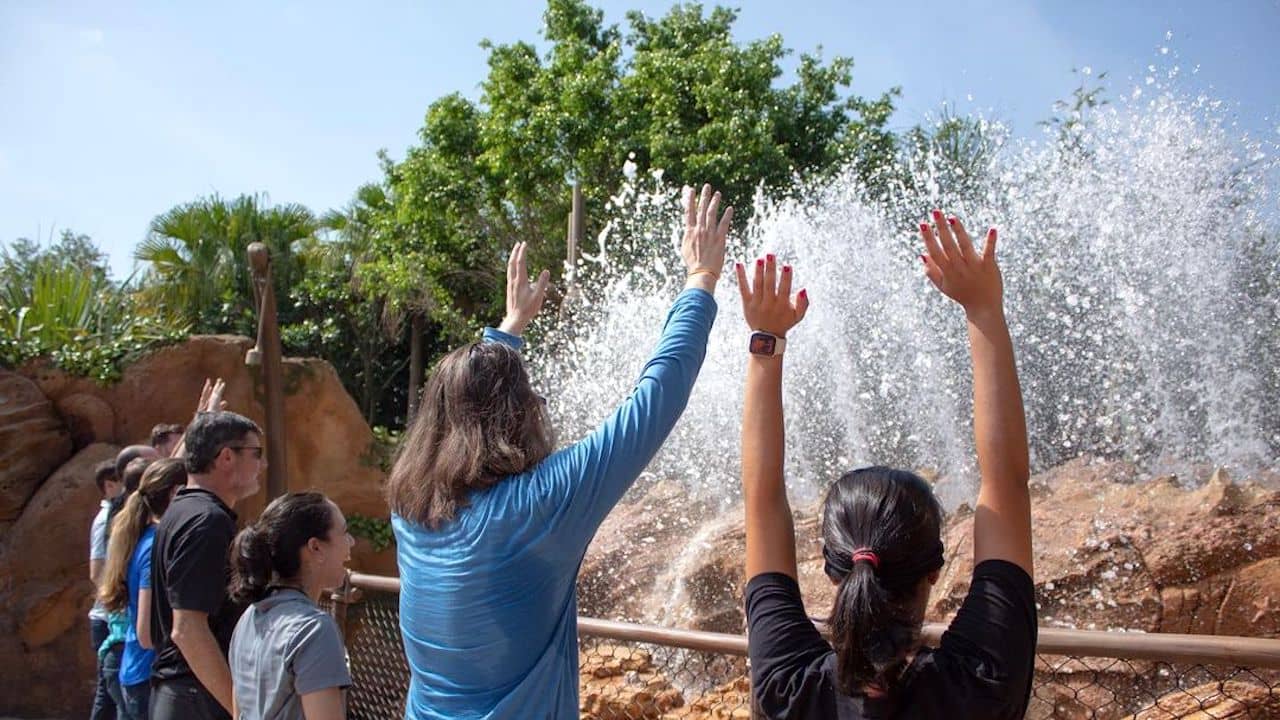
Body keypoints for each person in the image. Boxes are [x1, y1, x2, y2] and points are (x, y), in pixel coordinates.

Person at [387, 184, 731, 719]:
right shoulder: (539, 505)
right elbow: (656, 396)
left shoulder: (410, 513)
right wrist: (701, 279)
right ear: (519, 412)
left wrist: (506, 333)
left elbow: (466, 407)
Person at [738, 212, 1036, 718]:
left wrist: (766, 341)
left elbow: (761, 502)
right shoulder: (982, 682)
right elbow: (1007, 481)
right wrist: (983, 306)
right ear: (935, 571)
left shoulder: (789, 688)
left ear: (833, 569)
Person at [150, 410, 264, 720]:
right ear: (227, 457)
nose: (262, 464)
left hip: (183, 695)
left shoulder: (182, 511)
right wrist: (240, 711)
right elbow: (187, 629)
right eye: (256, 454)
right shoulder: (207, 522)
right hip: (197, 698)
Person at [228, 492, 354, 720]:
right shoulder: (314, 629)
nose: (351, 542)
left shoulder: (249, 617)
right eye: (344, 533)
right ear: (315, 548)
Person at [98, 458, 188, 720]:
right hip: (147, 678)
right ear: (176, 493)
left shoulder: (147, 537)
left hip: (137, 673)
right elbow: (146, 634)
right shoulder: (155, 545)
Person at [99, 456, 158, 715]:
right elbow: (146, 634)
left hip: (125, 660)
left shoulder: (128, 533)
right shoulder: (148, 541)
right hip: (135, 662)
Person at [90, 460, 123, 720]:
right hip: (107, 619)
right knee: (108, 693)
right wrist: (117, 601)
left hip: (113, 618)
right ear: (110, 486)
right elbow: (96, 571)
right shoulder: (105, 520)